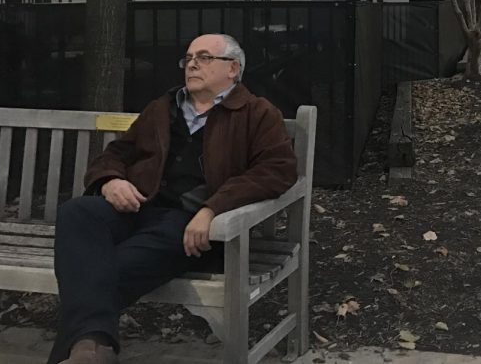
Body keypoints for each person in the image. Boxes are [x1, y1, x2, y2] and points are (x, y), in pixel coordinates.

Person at [48, 34, 297, 364]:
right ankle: (94, 351)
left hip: (191, 226)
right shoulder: (162, 108)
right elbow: (116, 153)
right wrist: (110, 180)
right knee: (77, 211)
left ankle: (89, 351)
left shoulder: (257, 113)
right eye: (189, 57)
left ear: (233, 68)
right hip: (139, 208)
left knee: (93, 272)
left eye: (205, 57)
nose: (192, 63)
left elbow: (276, 170)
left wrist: (213, 209)